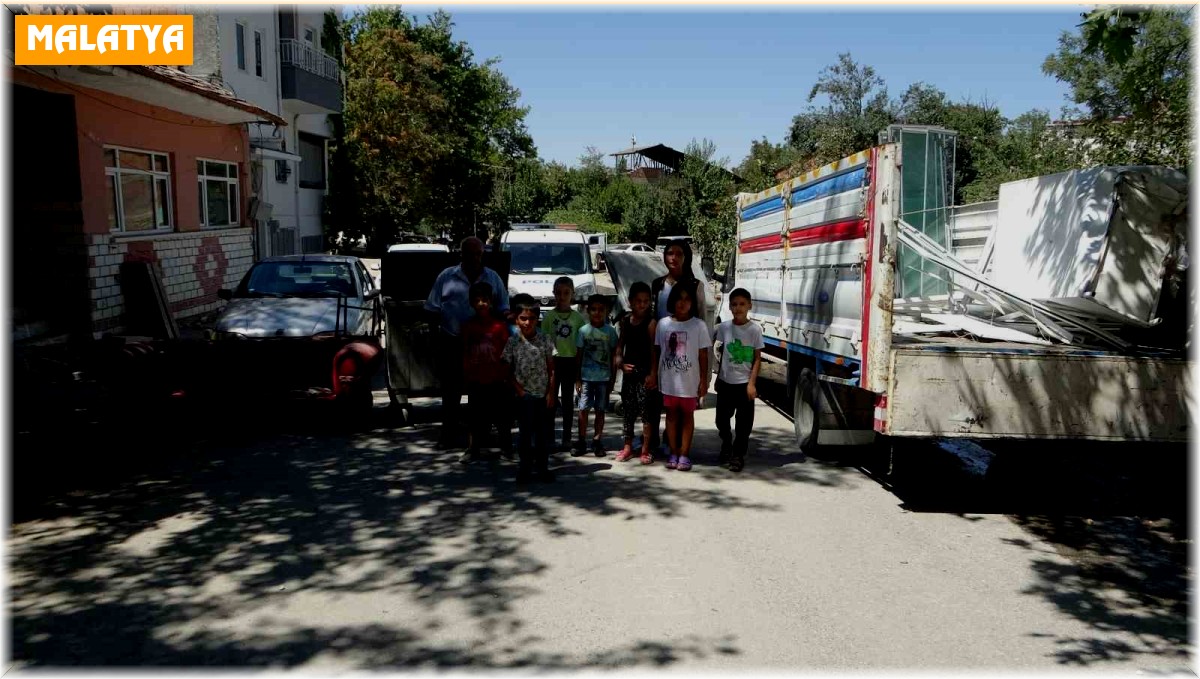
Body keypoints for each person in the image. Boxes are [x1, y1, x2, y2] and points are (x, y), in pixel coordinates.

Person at [425, 237, 509, 449]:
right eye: (468, 253)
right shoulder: (446, 276)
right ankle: (447, 434)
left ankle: (483, 435)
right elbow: (432, 309)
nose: (473, 258)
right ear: (460, 254)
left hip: (485, 347)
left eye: (477, 254)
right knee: (451, 392)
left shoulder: (493, 278)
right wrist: (435, 341)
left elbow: (503, 308)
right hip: (453, 342)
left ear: (482, 255)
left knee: (484, 393)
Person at [648, 240, 707, 454]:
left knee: (681, 405)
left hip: (685, 354)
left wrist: (703, 375)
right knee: (656, 399)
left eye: (679, 253)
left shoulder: (695, 286)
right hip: (660, 347)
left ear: (686, 257)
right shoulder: (657, 284)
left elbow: (700, 320)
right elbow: (653, 316)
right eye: (669, 253)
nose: (673, 257)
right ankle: (652, 440)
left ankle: (678, 447)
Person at [648, 285, 710, 472]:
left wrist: (704, 381)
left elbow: (703, 356)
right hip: (668, 381)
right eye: (678, 298)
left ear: (692, 303)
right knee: (672, 417)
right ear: (672, 301)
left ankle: (684, 454)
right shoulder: (663, 324)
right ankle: (673, 453)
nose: (682, 303)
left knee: (688, 417)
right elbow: (657, 351)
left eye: (687, 299)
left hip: (689, 382)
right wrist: (654, 374)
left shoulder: (698, 325)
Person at [503, 293, 557, 484]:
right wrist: (519, 390)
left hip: (542, 395)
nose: (527, 323)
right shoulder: (513, 341)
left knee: (542, 435)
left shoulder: (545, 339)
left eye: (532, 318)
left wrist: (551, 393)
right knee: (524, 435)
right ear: (516, 319)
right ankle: (524, 468)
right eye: (523, 318)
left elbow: (551, 369)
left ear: (537, 318)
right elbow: (507, 370)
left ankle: (543, 467)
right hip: (523, 396)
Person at [460, 281, 514, 464]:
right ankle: (472, 449)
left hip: (497, 379)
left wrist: (507, 375)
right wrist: (466, 374)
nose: (481, 304)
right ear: (471, 303)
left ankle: (507, 448)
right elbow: (465, 351)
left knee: (502, 416)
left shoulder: (499, 327)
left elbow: (507, 351)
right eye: (477, 300)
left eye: (485, 300)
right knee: (474, 417)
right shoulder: (468, 326)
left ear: (491, 302)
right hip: (476, 379)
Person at [713, 288, 764, 473]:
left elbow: (757, 358)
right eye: (734, 304)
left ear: (749, 305)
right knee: (721, 419)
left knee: (743, 425)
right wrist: (718, 377)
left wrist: (751, 384)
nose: (738, 308)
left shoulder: (755, 330)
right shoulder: (725, 328)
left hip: (744, 385)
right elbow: (723, 353)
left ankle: (737, 455)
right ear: (729, 307)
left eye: (742, 304)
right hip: (726, 383)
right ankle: (726, 442)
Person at [541, 276, 586, 452]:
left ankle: (566, 437)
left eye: (566, 293)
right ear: (554, 294)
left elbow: (581, 345)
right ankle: (550, 437)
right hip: (553, 362)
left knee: (568, 401)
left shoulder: (578, 319)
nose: (562, 296)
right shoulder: (548, 317)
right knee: (550, 401)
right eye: (558, 293)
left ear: (572, 294)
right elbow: (544, 342)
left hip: (571, 361)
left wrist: (578, 372)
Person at [613, 281, 656, 464]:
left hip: (645, 375)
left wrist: (653, 374)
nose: (642, 304)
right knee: (628, 412)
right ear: (630, 301)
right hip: (629, 375)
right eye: (638, 301)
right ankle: (627, 447)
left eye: (646, 301)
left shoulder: (651, 323)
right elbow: (620, 345)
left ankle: (646, 450)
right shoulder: (625, 321)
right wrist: (619, 361)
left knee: (646, 414)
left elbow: (655, 351)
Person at [573, 294, 618, 457]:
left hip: (603, 379)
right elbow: (579, 355)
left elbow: (614, 356)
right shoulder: (583, 331)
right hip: (586, 378)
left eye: (601, 310)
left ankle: (597, 440)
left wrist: (612, 379)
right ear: (588, 311)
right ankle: (581, 440)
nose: (597, 313)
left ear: (606, 311)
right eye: (594, 309)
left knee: (600, 409)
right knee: (583, 409)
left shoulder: (611, 332)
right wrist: (577, 378)